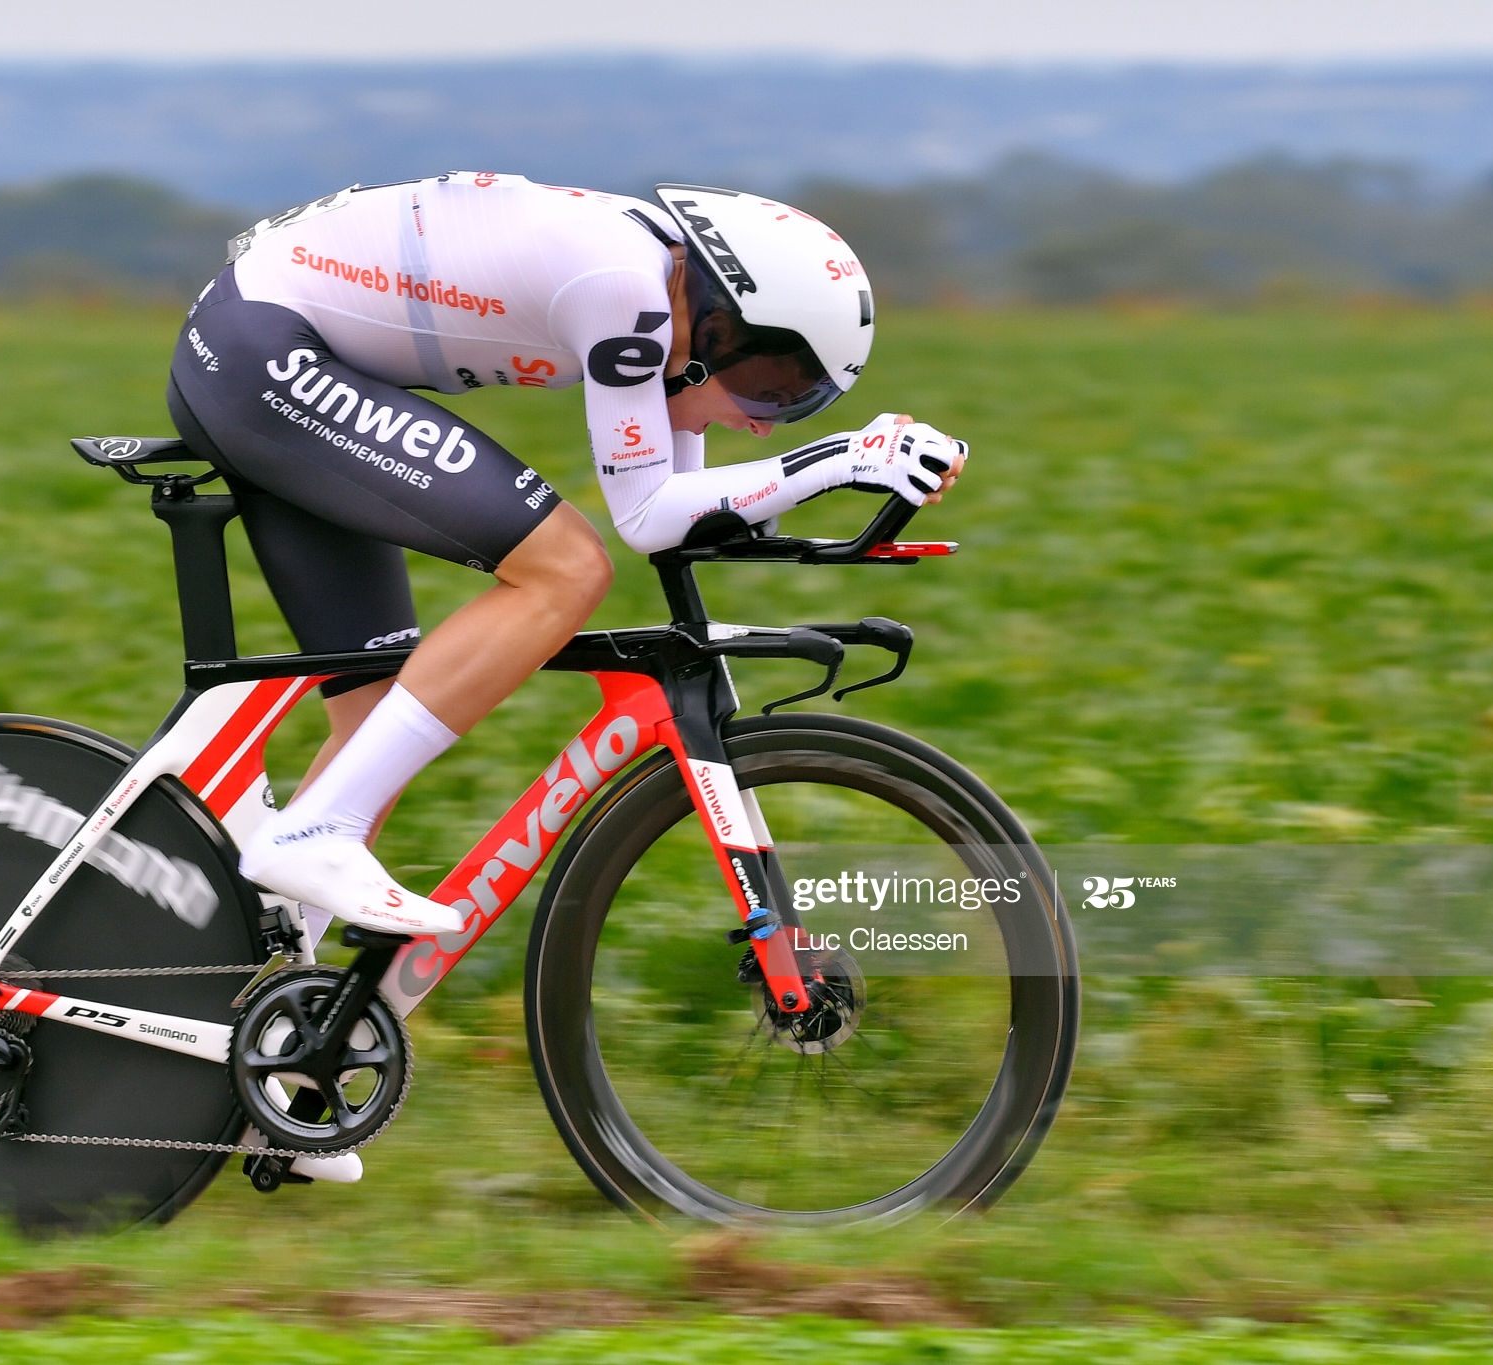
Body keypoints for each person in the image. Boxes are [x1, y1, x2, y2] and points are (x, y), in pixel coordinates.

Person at [168, 170, 966, 969]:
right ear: (720, 325)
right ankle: (313, 832)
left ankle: (254, 1009)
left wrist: (846, 473)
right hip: (262, 353)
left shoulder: (667, 295)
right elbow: (647, 516)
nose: (764, 424)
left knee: (375, 726)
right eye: (773, 388)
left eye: (801, 403)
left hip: (276, 352)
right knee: (565, 570)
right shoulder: (626, 294)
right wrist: (838, 455)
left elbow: (683, 517)